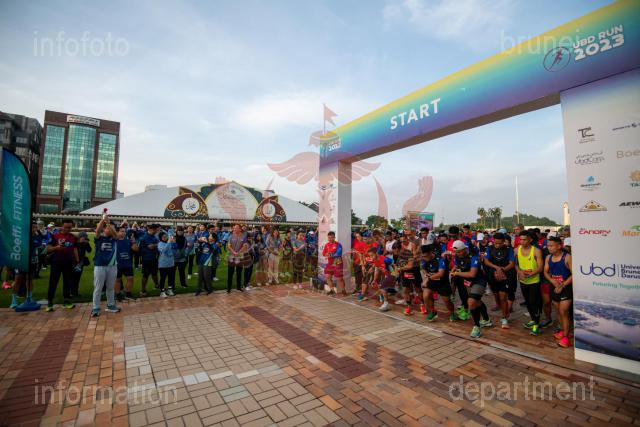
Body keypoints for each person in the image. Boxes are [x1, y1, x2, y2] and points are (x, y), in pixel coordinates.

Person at [450, 240, 492, 338]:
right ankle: (486, 320)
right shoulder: (457, 256)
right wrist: (453, 270)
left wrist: (457, 273)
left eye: (459, 251)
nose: (457, 253)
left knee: (471, 302)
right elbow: (456, 265)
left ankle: (476, 327)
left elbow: (472, 274)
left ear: (465, 249)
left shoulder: (473, 257)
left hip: (479, 281)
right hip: (468, 282)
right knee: (477, 301)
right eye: (456, 252)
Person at [544, 236, 573, 348]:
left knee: (563, 311)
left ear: (559, 246)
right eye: (548, 245)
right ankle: (564, 331)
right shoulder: (548, 257)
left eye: (551, 246)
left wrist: (563, 285)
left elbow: (574, 274)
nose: (549, 247)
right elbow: (545, 272)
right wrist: (552, 281)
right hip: (554, 287)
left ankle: (566, 338)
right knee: (558, 311)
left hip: (566, 288)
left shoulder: (567, 257)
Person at [483, 232, 516, 329]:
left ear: (504, 242)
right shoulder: (490, 248)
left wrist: (502, 270)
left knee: (503, 297)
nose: (497, 245)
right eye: (496, 243)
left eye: (500, 243)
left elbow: (512, 263)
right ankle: (503, 310)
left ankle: (504, 318)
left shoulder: (509, 249)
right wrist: (497, 268)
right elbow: (486, 261)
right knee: (496, 294)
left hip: (505, 275)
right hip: (492, 275)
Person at [45, 220, 79, 311]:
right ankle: (50, 302)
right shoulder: (55, 236)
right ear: (62, 227)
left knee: (67, 282)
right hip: (56, 262)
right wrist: (56, 248)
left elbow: (75, 248)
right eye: (66, 227)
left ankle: (66, 301)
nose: (68, 229)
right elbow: (48, 249)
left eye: (70, 227)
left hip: (68, 263)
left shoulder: (73, 237)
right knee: (53, 282)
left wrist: (77, 260)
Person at [516, 231, 545, 336]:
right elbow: (514, 264)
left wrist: (530, 274)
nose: (522, 242)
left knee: (534, 302)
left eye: (524, 239)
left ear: (530, 240)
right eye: (521, 239)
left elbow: (540, 267)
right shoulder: (517, 249)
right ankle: (533, 320)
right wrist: (519, 271)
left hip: (534, 281)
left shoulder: (536, 251)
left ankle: (536, 324)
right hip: (523, 281)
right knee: (527, 302)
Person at [91, 216, 120, 317]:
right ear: (104, 229)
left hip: (112, 266)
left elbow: (115, 234)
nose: (110, 230)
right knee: (98, 288)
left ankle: (110, 305)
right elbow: (97, 231)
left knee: (110, 287)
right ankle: (95, 308)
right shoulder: (99, 238)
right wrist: (103, 220)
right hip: (100, 266)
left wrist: (108, 223)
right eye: (108, 228)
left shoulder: (114, 239)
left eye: (112, 228)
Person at [420, 244, 457, 321]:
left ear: (430, 252)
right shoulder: (423, 259)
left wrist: (427, 279)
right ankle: (433, 312)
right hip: (432, 281)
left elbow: (441, 273)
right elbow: (424, 269)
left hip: (443, 283)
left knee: (447, 301)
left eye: (426, 256)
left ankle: (452, 313)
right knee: (426, 296)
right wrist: (426, 273)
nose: (424, 258)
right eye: (423, 256)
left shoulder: (440, 259)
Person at [115, 226, 137, 301]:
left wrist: (134, 241)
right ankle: (117, 295)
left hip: (127, 264)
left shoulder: (128, 241)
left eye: (124, 231)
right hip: (117, 264)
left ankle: (128, 294)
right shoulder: (114, 241)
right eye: (122, 231)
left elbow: (136, 249)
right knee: (118, 280)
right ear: (117, 232)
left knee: (130, 278)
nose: (124, 233)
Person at [139, 224, 160, 297]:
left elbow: (155, 246)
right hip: (146, 259)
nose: (156, 231)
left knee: (154, 273)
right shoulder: (145, 237)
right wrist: (158, 244)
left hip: (154, 258)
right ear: (151, 229)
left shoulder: (153, 236)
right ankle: (143, 290)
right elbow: (150, 246)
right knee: (146, 275)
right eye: (155, 230)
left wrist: (157, 245)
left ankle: (157, 285)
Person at [227, 224, 248, 293]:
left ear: (240, 229)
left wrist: (238, 253)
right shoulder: (231, 236)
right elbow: (229, 246)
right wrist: (233, 252)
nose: (235, 229)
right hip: (231, 256)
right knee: (230, 272)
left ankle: (238, 287)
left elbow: (245, 246)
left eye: (236, 228)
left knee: (239, 272)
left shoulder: (243, 237)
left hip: (240, 256)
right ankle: (229, 288)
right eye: (234, 228)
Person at [71, 232, 92, 299]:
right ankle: (71, 292)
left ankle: (75, 292)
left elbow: (89, 250)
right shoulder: (75, 243)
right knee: (72, 278)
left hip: (81, 263)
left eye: (85, 238)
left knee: (77, 278)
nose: (84, 239)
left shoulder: (85, 243)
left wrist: (87, 243)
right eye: (83, 237)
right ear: (80, 237)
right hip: (73, 262)